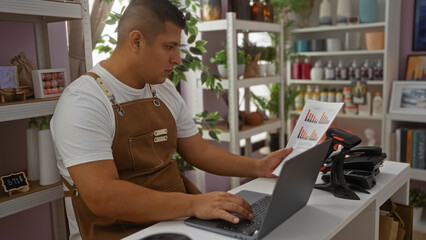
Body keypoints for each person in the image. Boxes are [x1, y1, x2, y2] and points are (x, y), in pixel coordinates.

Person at [51, 0, 292, 239]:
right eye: (169, 46)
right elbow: (103, 196)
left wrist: (259, 166)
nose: (177, 59)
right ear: (136, 41)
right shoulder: (83, 102)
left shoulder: (163, 89)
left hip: (176, 222)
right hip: (120, 233)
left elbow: (200, 152)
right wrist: (193, 204)